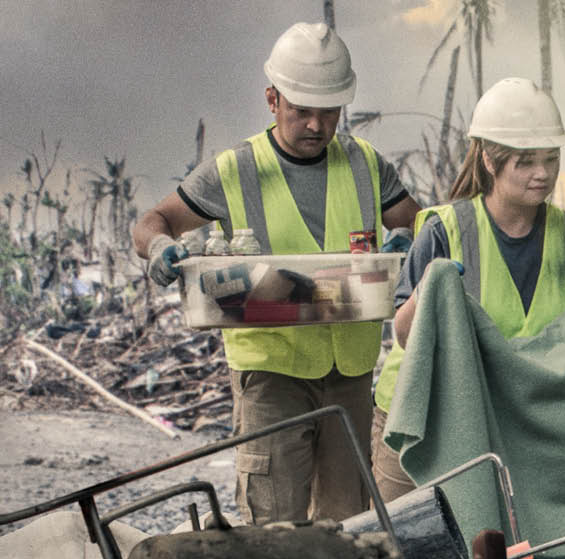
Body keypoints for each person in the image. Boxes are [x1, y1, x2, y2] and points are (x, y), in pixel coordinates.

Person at [132, 22, 420, 525]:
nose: (316, 125)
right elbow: (152, 223)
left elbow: (416, 222)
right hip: (271, 374)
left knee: (346, 525)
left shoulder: (365, 164)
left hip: (350, 373)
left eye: (328, 112)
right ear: (272, 99)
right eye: (301, 110)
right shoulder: (235, 170)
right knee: (275, 523)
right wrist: (159, 246)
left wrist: (408, 241)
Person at [370, 76, 565, 502]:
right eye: (525, 162)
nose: (542, 174)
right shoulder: (444, 230)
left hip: (510, 422)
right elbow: (406, 337)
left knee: (488, 553)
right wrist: (433, 284)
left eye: (551, 159)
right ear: (488, 159)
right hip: (419, 417)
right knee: (404, 548)